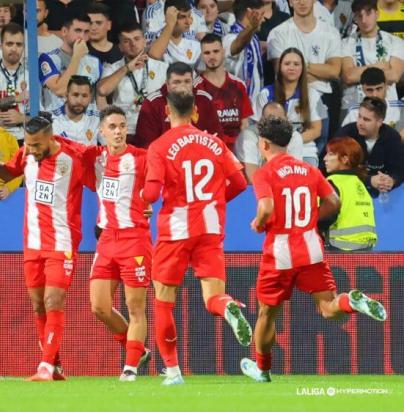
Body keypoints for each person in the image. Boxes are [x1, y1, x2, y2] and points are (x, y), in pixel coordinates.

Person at [240, 116, 387, 383]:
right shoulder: (309, 170)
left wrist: (259, 223)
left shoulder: (264, 173)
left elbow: (266, 208)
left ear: (263, 144)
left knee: (266, 314)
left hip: (281, 252)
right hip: (311, 247)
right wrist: (311, 220)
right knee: (329, 308)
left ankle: (262, 370)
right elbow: (333, 201)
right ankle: (350, 301)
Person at [143, 91, 251, 385]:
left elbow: (152, 194)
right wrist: (214, 201)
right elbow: (241, 182)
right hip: (210, 228)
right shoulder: (215, 143)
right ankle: (228, 306)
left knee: (164, 302)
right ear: (195, 112)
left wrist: (142, 199)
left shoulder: (159, 146)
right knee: (213, 296)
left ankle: (174, 371)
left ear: (166, 111)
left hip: (176, 230)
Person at [0, 114, 90, 381]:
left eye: (36, 145)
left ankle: (44, 366)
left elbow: (105, 179)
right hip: (32, 243)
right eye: (28, 144)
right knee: (39, 304)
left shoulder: (74, 157)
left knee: (54, 299)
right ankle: (56, 365)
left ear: (50, 138)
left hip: (62, 241)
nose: (31, 149)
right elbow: (8, 173)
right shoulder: (27, 154)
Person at [85, 106, 152, 381]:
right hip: (107, 239)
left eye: (122, 126)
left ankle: (131, 367)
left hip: (134, 238)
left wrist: (148, 203)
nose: (118, 131)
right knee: (99, 306)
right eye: (112, 126)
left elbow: (161, 184)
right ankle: (139, 350)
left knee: (135, 308)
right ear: (101, 131)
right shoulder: (94, 159)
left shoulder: (142, 158)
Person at [267, 0, 342, 145]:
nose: (302, 2)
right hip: (290, 98)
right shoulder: (278, 33)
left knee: (323, 152)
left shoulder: (330, 32)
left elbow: (334, 70)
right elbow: (283, 72)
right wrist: (320, 69)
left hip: (323, 98)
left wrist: (300, 66)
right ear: (290, 2)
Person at [253, 48, 323, 166]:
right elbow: (257, 127)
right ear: (280, 67)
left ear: (302, 68)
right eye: (287, 63)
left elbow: (316, 130)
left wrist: (293, 142)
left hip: (305, 150)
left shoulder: (313, 94)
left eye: (296, 64)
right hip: (272, 151)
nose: (291, 67)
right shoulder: (265, 93)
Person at [97, 22, 168, 137]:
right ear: (120, 46)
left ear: (145, 41)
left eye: (137, 38)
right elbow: (102, 90)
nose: (133, 44)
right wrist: (127, 68)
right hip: (126, 132)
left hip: (155, 130)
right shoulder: (113, 68)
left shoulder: (162, 68)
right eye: (126, 41)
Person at [134, 61, 223, 148]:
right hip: (166, 158)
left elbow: (217, 138)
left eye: (187, 81)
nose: (182, 87)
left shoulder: (204, 100)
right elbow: (146, 145)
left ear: (193, 82)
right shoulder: (152, 103)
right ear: (167, 84)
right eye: (177, 82)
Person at [340, 0, 403, 113]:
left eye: (368, 14)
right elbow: (349, 76)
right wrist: (380, 66)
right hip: (353, 106)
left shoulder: (395, 42)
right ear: (355, 18)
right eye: (359, 16)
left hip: (387, 107)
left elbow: (394, 76)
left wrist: (359, 70)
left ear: (377, 14)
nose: (364, 20)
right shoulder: (345, 43)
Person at [194, 33, 253, 151]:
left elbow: (244, 124)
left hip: (237, 150)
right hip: (209, 150)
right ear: (202, 55)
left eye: (216, 51)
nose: (212, 56)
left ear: (223, 51)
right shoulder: (195, 88)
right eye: (207, 53)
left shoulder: (239, 85)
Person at [335, 96, 403, 197]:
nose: (360, 123)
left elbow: (399, 170)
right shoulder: (346, 133)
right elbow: (335, 168)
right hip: (349, 190)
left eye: (366, 119)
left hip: (382, 192)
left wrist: (392, 180)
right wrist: (369, 180)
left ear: (379, 122)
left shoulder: (392, 138)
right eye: (359, 116)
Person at [321, 137, 377, 251]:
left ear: (345, 159)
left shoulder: (333, 182)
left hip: (340, 248)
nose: (324, 158)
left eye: (330, 154)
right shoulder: (359, 183)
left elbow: (326, 217)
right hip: (366, 248)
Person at [39, 13, 103, 111]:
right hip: (56, 122)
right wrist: (76, 56)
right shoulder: (48, 58)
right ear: (64, 31)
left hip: (86, 123)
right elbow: (60, 91)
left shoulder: (95, 62)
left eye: (86, 32)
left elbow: (99, 100)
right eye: (78, 30)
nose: (82, 36)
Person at [235, 101, 304, 183]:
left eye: (279, 121)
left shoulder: (294, 137)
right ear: (261, 122)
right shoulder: (248, 137)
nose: (274, 126)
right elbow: (252, 180)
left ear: (287, 120)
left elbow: (295, 177)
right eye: (270, 121)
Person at [223, 0, 268, 103]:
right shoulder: (229, 38)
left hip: (255, 105)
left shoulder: (254, 38)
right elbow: (238, 45)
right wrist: (251, 26)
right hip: (238, 104)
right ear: (249, 14)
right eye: (261, 14)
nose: (263, 19)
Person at [342, 68, 403, 134]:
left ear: (386, 86)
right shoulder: (354, 112)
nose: (375, 95)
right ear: (362, 89)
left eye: (379, 88)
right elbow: (342, 140)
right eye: (369, 90)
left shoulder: (400, 108)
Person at [51, 76, 102, 146]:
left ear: (90, 97)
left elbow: (108, 144)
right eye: (75, 95)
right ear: (66, 95)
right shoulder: (53, 120)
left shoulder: (96, 117)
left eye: (84, 96)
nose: (79, 101)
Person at [147, 0, 202, 66]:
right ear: (169, 17)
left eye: (189, 16)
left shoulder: (193, 40)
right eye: (182, 17)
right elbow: (154, 56)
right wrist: (170, 24)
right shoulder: (154, 37)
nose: (188, 22)